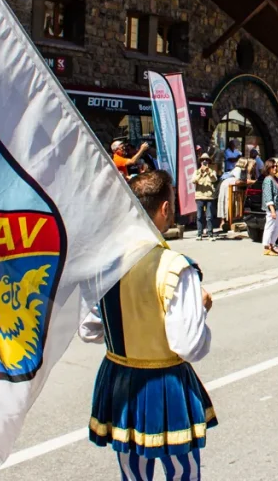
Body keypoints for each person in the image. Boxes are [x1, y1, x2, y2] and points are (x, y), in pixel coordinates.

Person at [81, 171, 216, 480]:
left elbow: (88, 330)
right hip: (164, 381)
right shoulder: (176, 267)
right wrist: (203, 309)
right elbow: (189, 345)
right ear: (165, 208)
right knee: (183, 472)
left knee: (132, 473)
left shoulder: (105, 262)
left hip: (118, 376)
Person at [261, 158, 278, 256]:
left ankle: (272, 244)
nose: (275, 168)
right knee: (270, 227)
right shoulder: (267, 180)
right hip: (272, 208)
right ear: (268, 168)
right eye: (273, 166)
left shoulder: (275, 179)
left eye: (276, 166)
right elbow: (268, 195)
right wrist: (272, 210)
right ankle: (266, 247)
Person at [192, 153, 217, 240]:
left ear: (209, 162)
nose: (204, 161)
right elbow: (193, 181)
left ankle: (210, 234)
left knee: (209, 216)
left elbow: (214, 179)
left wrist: (208, 171)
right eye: (203, 160)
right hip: (199, 196)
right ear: (200, 162)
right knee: (199, 216)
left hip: (209, 196)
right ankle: (199, 234)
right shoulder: (197, 171)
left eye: (206, 160)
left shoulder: (212, 171)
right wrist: (201, 173)